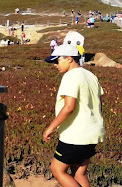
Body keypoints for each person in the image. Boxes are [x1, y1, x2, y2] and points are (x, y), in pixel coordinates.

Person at [43, 44, 105, 187]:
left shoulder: (70, 76)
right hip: (93, 133)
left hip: (75, 135)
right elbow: (100, 101)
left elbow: (69, 107)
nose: (55, 65)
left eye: (57, 61)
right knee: (78, 173)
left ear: (69, 59)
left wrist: (50, 128)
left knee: (57, 169)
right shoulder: (91, 75)